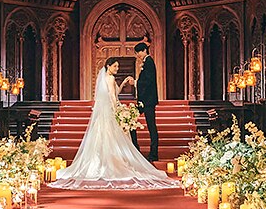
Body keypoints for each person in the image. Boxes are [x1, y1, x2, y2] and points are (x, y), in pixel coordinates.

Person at [52, 58, 175, 190]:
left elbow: (114, 93)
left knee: (103, 138)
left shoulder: (106, 77)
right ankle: (113, 163)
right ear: (108, 66)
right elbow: (112, 97)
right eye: (115, 66)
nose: (117, 69)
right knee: (113, 137)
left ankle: (102, 162)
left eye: (118, 66)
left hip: (106, 112)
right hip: (111, 111)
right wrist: (118, 110)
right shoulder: (110, 79)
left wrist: (122, 84)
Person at [131, 41, 160, 162]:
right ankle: (135, 148)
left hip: (148, 101)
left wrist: (136, 82)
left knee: (151, 126)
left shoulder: (149, 62)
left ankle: (153, 154)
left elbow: (148, 81)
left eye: (138, 52)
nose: (137, 55)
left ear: (144, 51)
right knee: (130, 121)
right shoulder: (146, 62)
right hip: (144, 101)